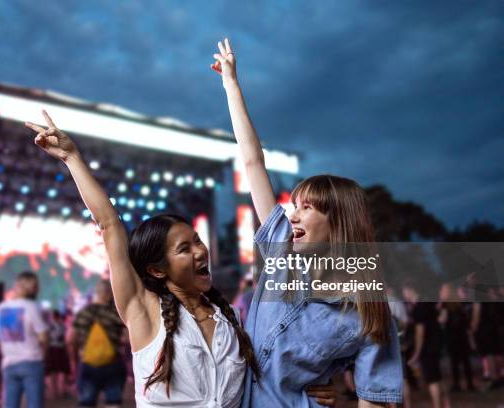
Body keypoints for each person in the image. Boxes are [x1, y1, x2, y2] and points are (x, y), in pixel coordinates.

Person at [25, 111, 336, 407]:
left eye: (197, 241)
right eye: (184, 249)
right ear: (157, 270)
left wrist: (310, 386)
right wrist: (72, 158)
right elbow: (109, 225)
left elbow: (270, 372)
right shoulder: (143, 311)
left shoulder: (231, 321)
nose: (200, 251)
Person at [212, 38, 404, 407]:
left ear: (339, 223)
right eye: (293, 205)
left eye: (307, 208)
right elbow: (252, 163)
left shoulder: (368, 312)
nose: (292, 214)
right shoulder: (280, 252)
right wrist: (231, 85)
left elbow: (375, 399)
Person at [0, 271, 48, 408]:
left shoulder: (1, 308)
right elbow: (43, 336)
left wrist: (6, 349)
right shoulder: (32, 307)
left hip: (9, 363)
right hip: (32, 361)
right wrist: (43, 352)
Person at [67, 279, 126, 407]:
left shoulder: (83, 313)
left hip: (88, 363)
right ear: (109, 293)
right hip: (113, 364)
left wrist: (77, 354)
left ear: (97, 293)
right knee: (113, 403)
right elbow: (127, 339)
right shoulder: (116, 314)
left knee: (86, 403)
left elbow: (70, 339)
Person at [403, 281, 450, 408]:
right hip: (436, 344)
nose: (404, 294)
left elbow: (420, 333)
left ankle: (437, 405)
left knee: (432, 380)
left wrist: (417, 353)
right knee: (437, 377)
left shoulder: (418, 309)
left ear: (411, 290)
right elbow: (441, 319)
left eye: (405, 291)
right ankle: (446, 404)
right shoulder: (428, 303)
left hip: (427, 348)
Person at [45, 309, 70, 399]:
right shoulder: (63, 326)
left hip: (51, 350)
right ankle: (62, 390)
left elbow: (46, 339)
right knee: (62, 370)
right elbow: (66, 339)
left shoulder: (48, 326)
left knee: (52, 371)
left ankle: (54, 391)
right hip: (61, 349)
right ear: (59, 316)